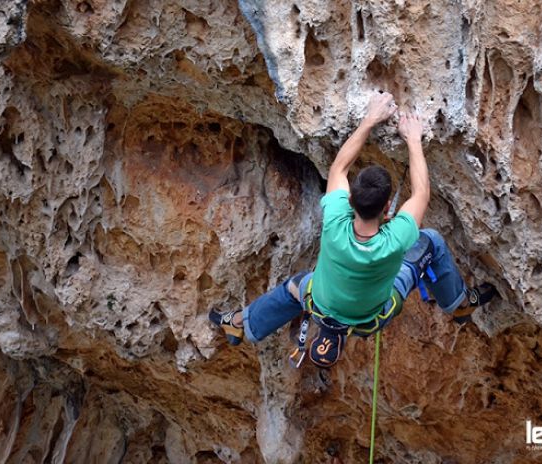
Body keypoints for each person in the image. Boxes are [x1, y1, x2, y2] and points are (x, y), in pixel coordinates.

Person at [210, 93, 496, 367]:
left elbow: (339, 168)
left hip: (319, 304)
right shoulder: (397, 238)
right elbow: (421, 193)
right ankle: (458, 304)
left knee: (295, 286)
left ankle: (241, 324)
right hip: (371, 317)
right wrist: (413, 140)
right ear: (388, 210)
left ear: (349, 201)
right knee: (430, 241)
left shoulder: (335, 221)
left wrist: (369, 120)